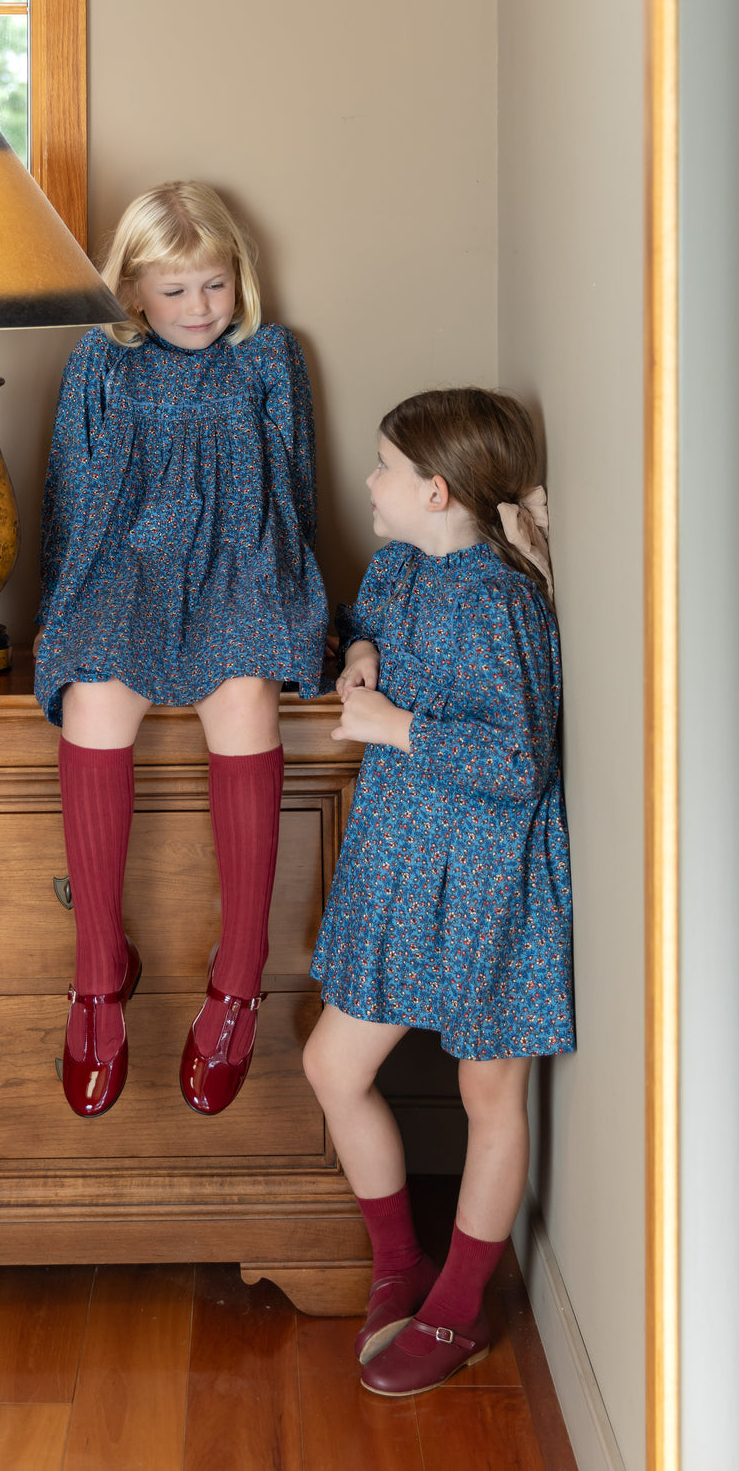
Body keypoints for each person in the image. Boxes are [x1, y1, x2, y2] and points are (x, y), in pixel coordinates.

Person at [34, 181, 328, 1120]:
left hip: (241, 563)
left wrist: (299, 602)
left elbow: (296, 488)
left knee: (245, 698)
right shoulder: (100, 362)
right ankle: (96, 974)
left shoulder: (271, 357)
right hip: (123, 567)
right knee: (91, 698)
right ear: (131, 295)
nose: (201, 309)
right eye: (176, 292)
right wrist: (62, 614)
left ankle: (238, 977)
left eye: (214, 286)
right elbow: (71, 495)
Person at [302, 387, 574, 1397]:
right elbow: (361, 625)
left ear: (438, 490)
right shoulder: (398, 566)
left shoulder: (503, 602)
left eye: (382, 467)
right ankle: (398, 1267)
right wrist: (362, 654)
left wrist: (395, 730)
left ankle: (457, 1309)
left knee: (487, 1091)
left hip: (489, 873)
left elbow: (519, 763)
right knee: (335, 1065)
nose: (367, 482)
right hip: (402, 859)